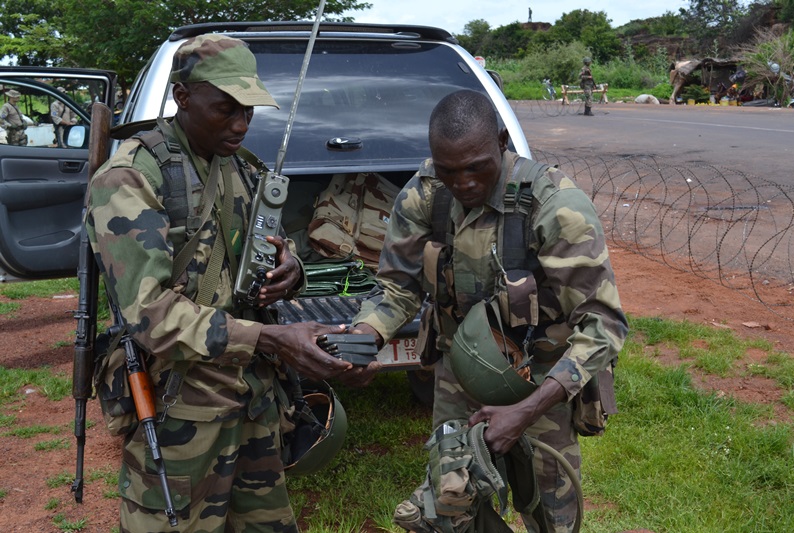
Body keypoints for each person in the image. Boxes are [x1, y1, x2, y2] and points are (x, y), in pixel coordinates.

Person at [85, 33, 352, 532]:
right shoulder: (132, 177)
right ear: (183, 97)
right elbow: (150, 315)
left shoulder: (240, 167)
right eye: (225, 108)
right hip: (179, 409)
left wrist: (290, 270)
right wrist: (270, 337)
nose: (241, 124)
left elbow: (267, 245)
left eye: (249, 110)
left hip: (252, 398)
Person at [345, 89, 628, 532]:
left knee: (549, 508)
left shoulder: (555, 205)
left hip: (540, 377)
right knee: (451, 501)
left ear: (501, 141)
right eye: (449, 171)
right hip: (458, 371)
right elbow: (397, 288)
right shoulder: (425, 195)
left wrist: (528, 410)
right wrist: (364, 336)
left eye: (476, 167)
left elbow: (603, 324)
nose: (463, 184)